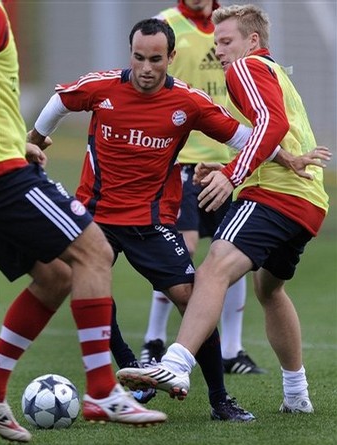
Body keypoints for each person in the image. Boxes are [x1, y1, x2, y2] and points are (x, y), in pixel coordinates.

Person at [27, 18, 329, 424]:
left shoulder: (189, 101)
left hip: (150, 220)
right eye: (138, 57)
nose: (146, 67)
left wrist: (286, 157)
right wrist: (38, 136)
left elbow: (244, 136)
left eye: (156, 59)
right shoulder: (102, 87)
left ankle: (220, 400)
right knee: (84, 283)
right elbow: (62, 99)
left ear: (171, 58)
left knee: (194, 295)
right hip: (94, 213)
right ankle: (133, 373)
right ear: (129, 54)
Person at [116, 5, 330, 415]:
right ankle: (296, 393)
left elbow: (272, 122)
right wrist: (268, 162)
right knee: (270, 289)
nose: (219, 51)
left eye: (226, 41)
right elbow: (272, 127)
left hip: (276, 195)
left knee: (214, 263)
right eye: (216, 43)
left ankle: (176, 364)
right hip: (309, 198)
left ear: (253, 41)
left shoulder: (245, 68)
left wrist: (233, 174)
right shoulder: (274, 72)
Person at [0, 4, 167, 443]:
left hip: (9, 160)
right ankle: (101, 390)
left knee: (56, 275)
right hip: (2, 177)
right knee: (94, 250)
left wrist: (19, 143)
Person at [140, 0, 266, 375]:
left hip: (229, 162)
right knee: (183, 246)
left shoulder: (233, 25)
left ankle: (232, 350)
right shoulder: (166, 23)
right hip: (181, 161)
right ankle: (154, 339)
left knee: (233, 250)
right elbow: (148, 83)